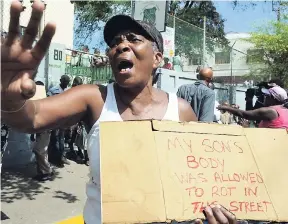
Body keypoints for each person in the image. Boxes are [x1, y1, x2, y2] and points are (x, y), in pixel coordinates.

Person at [1, 1, 236, 224]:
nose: (122, 45)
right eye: (115, 42)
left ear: (157, 59)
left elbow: (199, 178)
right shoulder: (94, 98)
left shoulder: (181, 111)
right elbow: (30, 118)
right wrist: (8, 98)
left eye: (134, 39)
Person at [218, 86, 288, 129]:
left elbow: (245, 114)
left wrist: (227, 108)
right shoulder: (285, 110)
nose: (264, 97)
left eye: (266, 95)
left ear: (274, 99)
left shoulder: (271, 111)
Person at [30, 81, 54, 181]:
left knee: (40, 151)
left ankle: (47, 171)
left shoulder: (46, 101)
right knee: (41, 151)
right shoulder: (38, 101)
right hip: (41, 130)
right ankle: (42, 171)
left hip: (45, 130)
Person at [47, 75, 71, 167]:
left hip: (65, 119)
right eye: (64, 81)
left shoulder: (69, 91)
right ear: (61, 81)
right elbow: (47, 103)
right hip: (55, 118)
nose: (66, 84)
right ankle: (56, 159)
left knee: (62, 139)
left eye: (67, 82)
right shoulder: (53, 91)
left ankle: (61, 157)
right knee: (55, 139)